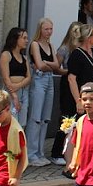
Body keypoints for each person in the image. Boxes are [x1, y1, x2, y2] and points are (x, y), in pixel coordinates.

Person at [65, 24, 93, 164]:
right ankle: (69, 164)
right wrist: (78, 100)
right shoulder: (76, 54)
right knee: (74, 131)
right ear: (88, 37)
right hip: (81, 96)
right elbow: (71, 78)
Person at [27, 18, 59, 166]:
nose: (49, 32)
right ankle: (31, 153)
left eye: (51, 29)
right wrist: (46, 64)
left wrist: (46, 64)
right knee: (36, 117)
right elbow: (39, 65)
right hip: (39, 80)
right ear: (40, 29)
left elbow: (56, 65)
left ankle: (40, 151)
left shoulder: (51, 45)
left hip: (49, 79)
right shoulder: (35, 44)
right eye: (46, 29)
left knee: (45, 118)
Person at [49, 22, 79, 165]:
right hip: (67, 84)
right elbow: (56, 68)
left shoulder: (81, 48)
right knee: (67, 117)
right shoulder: (65, 48)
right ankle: (57, 151)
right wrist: (68, 72)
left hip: (79, 84)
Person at [0, 27, 32, 121]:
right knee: (12, 120)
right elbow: (6, 78)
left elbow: (28, 77)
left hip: (23, 91)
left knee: (22, 122)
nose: (27, 41)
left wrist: (18, 85)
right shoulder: (6, 54)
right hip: (10, 91)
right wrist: (14, 95)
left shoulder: (24, 58)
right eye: (24, 38)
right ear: (16, 39)